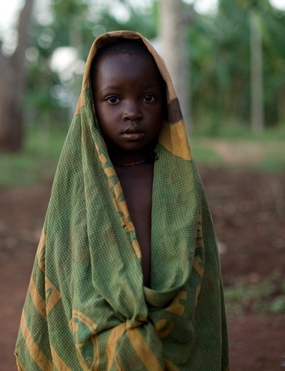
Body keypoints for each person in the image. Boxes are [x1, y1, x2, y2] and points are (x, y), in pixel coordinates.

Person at [15, 30, 229, 370]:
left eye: (148, 98)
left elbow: (200, 272)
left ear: (166, 100)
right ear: (91, 104)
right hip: (96, 335)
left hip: (172, 332)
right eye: (113, 99)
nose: (132, 111)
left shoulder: (181, 182)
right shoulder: (80, 184)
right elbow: (66, 268)